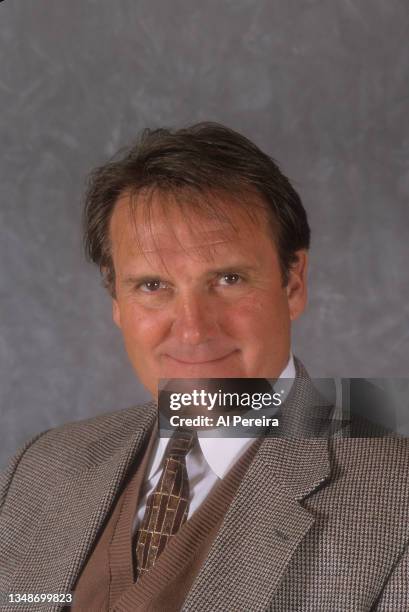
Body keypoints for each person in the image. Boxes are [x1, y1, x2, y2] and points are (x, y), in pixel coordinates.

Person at [1, 122, 408, 611]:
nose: (193, 329)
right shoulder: (41, 467)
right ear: (115, 298)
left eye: (229, 279)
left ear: (293, 282)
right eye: (152, 286)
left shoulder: (394, 494)